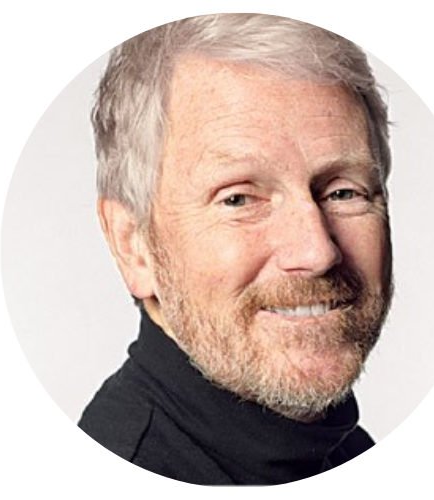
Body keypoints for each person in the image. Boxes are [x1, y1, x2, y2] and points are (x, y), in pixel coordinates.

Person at [78, 13, 394, 486]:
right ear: (133, 245)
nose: (317, 252)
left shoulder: (341, 446)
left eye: (343, 192)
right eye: (239, 199)